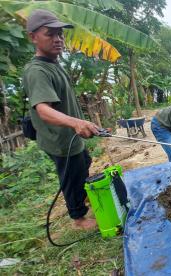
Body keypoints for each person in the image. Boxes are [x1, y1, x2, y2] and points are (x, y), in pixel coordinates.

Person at [23, 9, 100, 230]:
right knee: (71, 175)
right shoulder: (37, 70)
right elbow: (43, 110)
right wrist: (76, 123)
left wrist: (84, 122)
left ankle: (83, 202)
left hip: (70, 135)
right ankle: (79, 219)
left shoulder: (53, 64)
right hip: (60, 140)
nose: (57, 39)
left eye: (60, 34)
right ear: (33, 37)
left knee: (84, 163)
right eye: (50, 34)